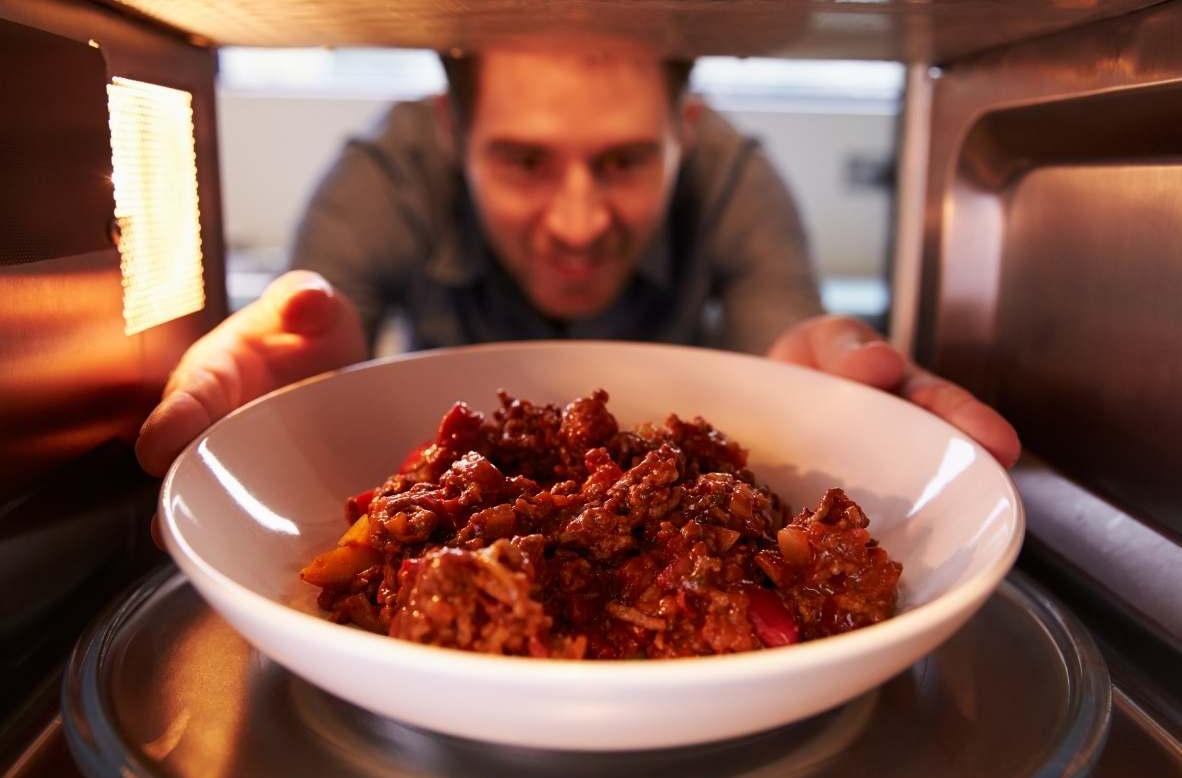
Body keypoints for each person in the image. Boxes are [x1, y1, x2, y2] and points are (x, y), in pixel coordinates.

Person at [135, 36, 1019, 475]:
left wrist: (827, 392)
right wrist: (306, 397)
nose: (578, 222)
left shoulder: (735, 181)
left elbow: (785, 342)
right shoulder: (384, 174)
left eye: (626, 161)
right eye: (523, 161)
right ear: (453, 133)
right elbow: (322, 333)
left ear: (686, 132)